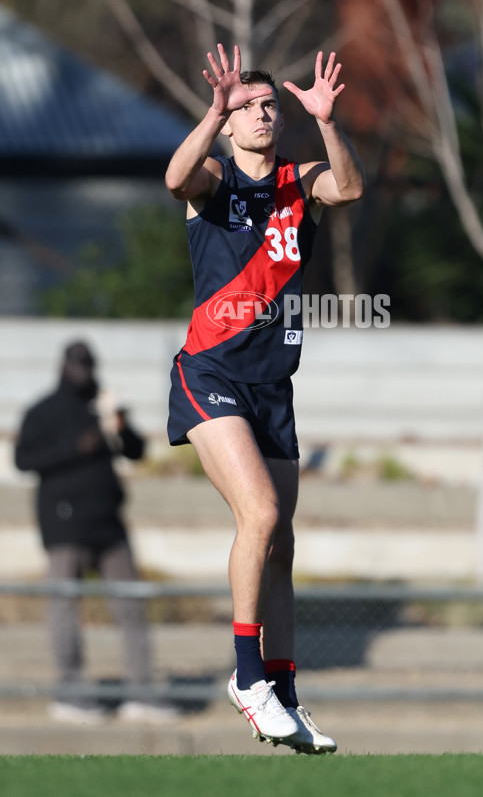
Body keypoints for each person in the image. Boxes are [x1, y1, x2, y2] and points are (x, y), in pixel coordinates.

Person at [165, 43, 365, 753]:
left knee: (279, 545)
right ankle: (246, 676)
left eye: (267, 104)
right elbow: (173, 176)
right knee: (262, 512)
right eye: (246, 107)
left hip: (272, 386)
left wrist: (329, 124)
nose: (261, 113)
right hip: (209, 372)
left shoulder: (299, 177)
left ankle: (282, 691)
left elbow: (350, 190)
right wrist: (211, 110)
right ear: (228, 122)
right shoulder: (214, 178)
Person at [14, 340, 177, 725]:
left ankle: (141, 692)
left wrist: (119, 425)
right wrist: (76, 447)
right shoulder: (43, 410)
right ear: (64, 366)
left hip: (109, 526)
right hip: (64, 527)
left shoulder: (104, 406)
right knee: (64, 609)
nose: (83, 373)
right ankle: (70, 692)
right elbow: (24, 460)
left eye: (88, 366)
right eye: (77, 366)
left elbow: (137, 451)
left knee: (132, 607)